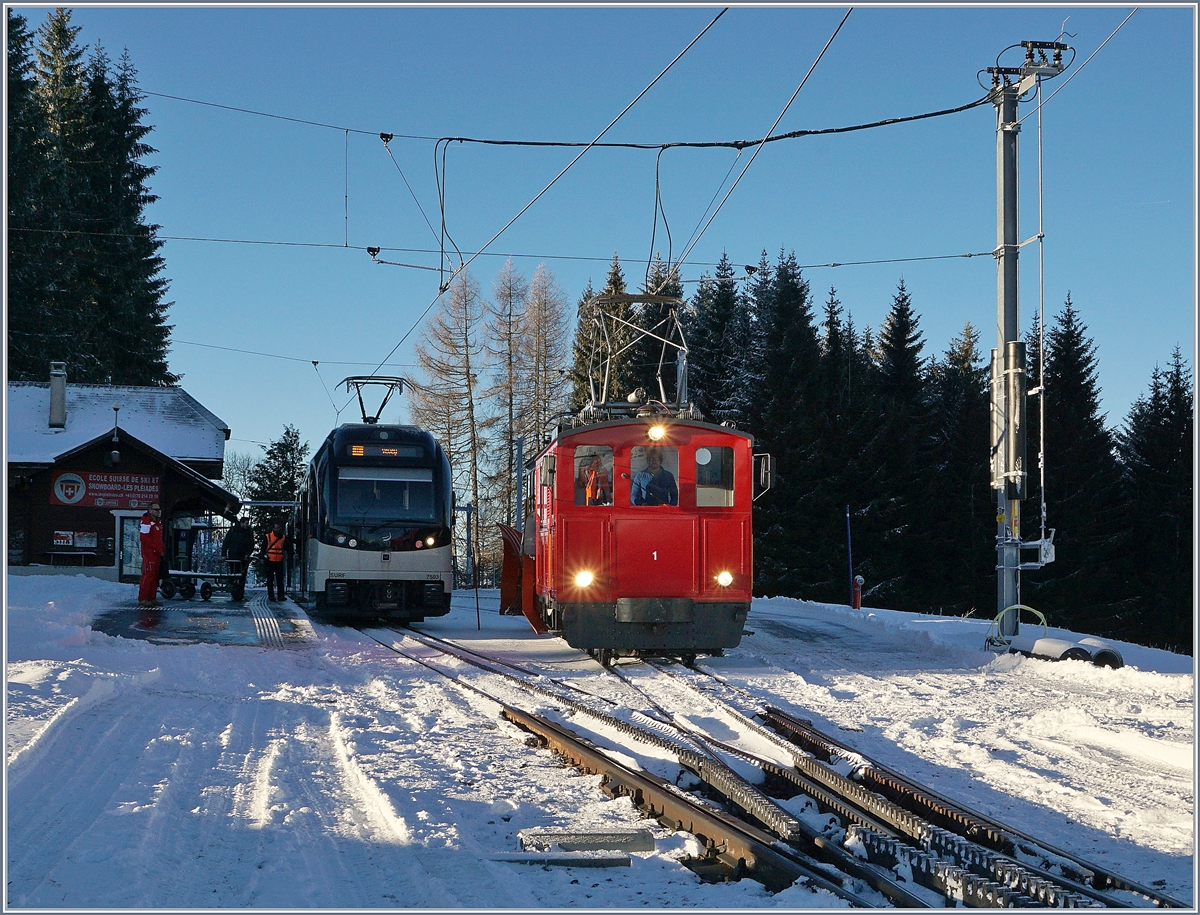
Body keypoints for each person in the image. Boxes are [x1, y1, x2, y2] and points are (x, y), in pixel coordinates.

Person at [137, 502, 165, 607]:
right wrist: (155, 547)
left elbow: (158, 538)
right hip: (149, 554)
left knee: (154, 576)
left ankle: (151, 598)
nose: (158, 512)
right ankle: (143, 598)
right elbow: (143, 537)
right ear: (150, 510)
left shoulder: (157, 522)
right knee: (148, 575)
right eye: (156, 510)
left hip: (156, 553)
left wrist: (162, 548)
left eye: (159, 510)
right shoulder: (146, 521)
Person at [222, 516, 254, 601]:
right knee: (234, 574)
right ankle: (234, 592)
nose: (247, 525)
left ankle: (240, 593)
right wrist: (223, 554)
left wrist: (247, 554)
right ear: (241, 523)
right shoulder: (233, 530)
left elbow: (251, 545)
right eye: (246, 523)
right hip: (233, 557)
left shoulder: (249, 532)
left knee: (242, 576)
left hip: (243, 558)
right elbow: (226, 542)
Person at [264, 523, 288, 601]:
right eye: (276, 528)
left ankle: (280, 596)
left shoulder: (283, 537)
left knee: (280, 580)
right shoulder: (268, 537)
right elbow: (263, 547)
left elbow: (287, 547)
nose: (278, 529)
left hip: (279, 561)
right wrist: (262, 557)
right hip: (270, 561)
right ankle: (271, 596)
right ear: (273, 529)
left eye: (279, 528)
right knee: (270, 580)